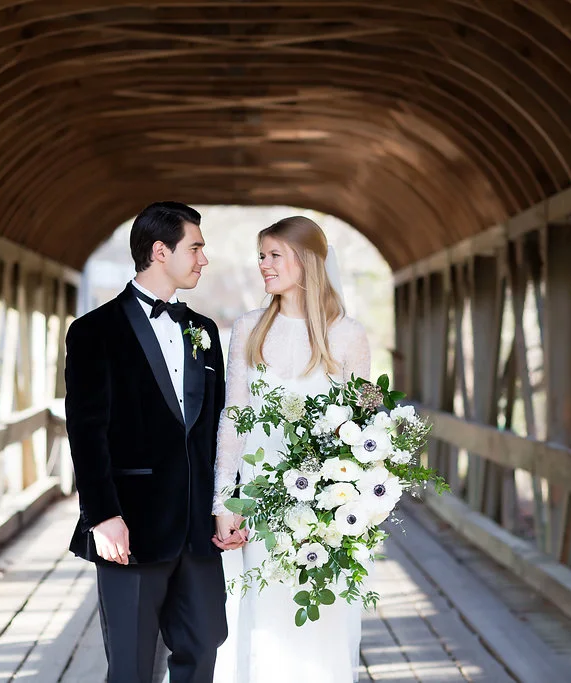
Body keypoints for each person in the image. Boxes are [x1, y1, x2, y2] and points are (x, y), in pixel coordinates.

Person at [64, 201, 245, 683]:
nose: (204, 259)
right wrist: (102, 516)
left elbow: (217, 428)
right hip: (131, 529)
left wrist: (225, 505)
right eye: (196, 248)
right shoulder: (94, 332)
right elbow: (85, 431)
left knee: (204, 645)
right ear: (161, 251)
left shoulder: (204, 330)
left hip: (197, 531)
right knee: (132, 666)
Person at [212, 215, 371, 683]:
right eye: (261, 256)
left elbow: (364, 430)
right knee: (261, 620)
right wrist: (223, 501)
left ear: (305, 261)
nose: (263, 264)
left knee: (319, 629)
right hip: (259, 503)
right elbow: (234, 416)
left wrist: (350, 502)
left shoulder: (349, 335)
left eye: (274, 255)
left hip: (326, 511)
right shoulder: (248, 328)